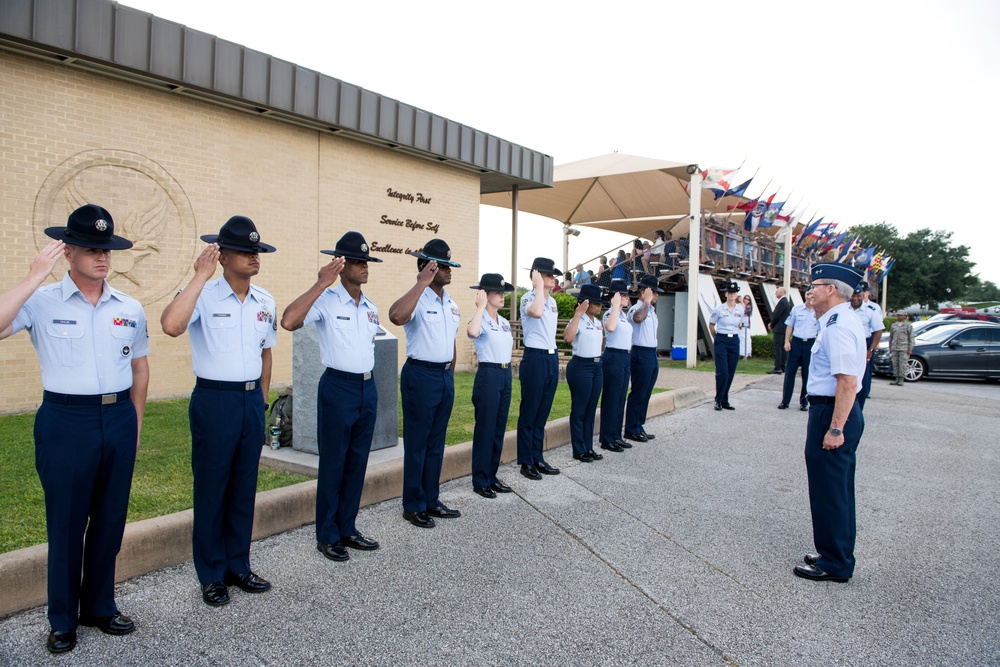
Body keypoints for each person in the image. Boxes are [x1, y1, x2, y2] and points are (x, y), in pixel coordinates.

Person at [0, 205, 149, 654]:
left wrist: (135, 424)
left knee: (110, 522)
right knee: (66, 524)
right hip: (66, 421)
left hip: (118, 417)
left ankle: (100, 607)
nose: (102, 257)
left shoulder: (130, 307)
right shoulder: (41, 302)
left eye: (107, 249)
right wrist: (32, 277)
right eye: (90, 248)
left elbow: (140, 368)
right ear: (67, 251)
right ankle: (62, 618)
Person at [161, 216, 276, 607]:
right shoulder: (202, 295)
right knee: (212, 489)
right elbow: (171, 326)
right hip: (214, 400)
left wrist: (261, 398)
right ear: (222, 255)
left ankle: (238, 566)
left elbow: (266, 351)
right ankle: (211, 574)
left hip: (249, 402)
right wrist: (199, 277)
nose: (253, 256)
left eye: (256, 250)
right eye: (244, 251)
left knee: (244, 489)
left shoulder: (265, 301)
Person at [279, 231, 382, 561]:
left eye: (366, 261)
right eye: (356, 260)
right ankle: (327, 535)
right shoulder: (325, 300)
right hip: (338, 387)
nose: (364, 266)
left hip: (368, 388)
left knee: (357, 462)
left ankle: (348, 528)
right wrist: (321, 283)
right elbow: (289, 320)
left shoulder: (370, 307)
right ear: (340, 265)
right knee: (334, 463)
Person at [794, 262, 867, 583]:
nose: (810, 290)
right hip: (834, 410)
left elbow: (847, 381)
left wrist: (835, 428)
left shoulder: (837, 326)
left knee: (829, 489)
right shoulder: (836, 320)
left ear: (831, 290)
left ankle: (836, 562)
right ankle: (834, 552)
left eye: (815, 284)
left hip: (832, 412)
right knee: (834, 488)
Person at [389, 239, 462, 528]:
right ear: (428, 267)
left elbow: (451, 342)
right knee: (418, 444)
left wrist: (450, 375)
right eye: (442, 266)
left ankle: (431, 499)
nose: (448, 270)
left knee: (436, 444)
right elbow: (396, 316)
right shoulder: (417, 299)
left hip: (444, 377)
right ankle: (413, 504)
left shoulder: (451, 304)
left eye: (448, 265)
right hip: (420, 376)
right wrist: (421, 283)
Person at [466, 273, 515, 498]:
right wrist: (480, 307)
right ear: (485, 294)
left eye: (502, 292)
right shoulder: (479, 320)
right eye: (496, 292)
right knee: (485, 430)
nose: (502, 296)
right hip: (488, 374)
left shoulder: (504, 322)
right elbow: (472, 332)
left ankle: (492, 476)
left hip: (505, 375)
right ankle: (480, 479)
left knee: (497, 430)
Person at [516, 257, 563, 480]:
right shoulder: (528, 298)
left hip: (551, 358)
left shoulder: (551, 301)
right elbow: (535, 312)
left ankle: (537, 457)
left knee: (542, 412)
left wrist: (543, 291)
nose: (553, 279)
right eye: (549, 275)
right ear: (537, 276)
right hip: (534, 358)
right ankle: (526, 461)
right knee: (530, 412)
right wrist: (537, 288)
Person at [564, 283, 614, 462]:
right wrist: (577, 314)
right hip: (580, 367)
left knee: (591, 409)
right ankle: (578, 449)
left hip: (596, 366)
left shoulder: (598, 322)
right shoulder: (577, 320)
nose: (600, 306)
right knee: (580, 409)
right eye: (596, 302)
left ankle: (588, 447)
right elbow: (568, 338)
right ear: (585, 303)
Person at [623, 274, 663, 441]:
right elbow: (638, 319)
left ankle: (639, 425)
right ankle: (631, 428)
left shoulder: (652, 311)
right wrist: (646, 301)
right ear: (645, 292)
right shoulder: (637, 309)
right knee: (639, 391)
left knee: (646, 392)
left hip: (651, 352)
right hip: (640, 352)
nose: (657, 296)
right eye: (654, 292)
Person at [599, 279, 633, 453]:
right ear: (617, 296)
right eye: (624, 295)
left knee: (620, 398)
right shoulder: (610, 314)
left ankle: (616, 435)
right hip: (614, 356)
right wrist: (615, 306)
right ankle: (607, 438)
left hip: (625, 357)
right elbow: (610, 328)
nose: (628, 298)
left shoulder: (623, 315)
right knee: (611, 398)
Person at [778, 291, 819, 411]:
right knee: (790, 372)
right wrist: (787, 341)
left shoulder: (819, 311)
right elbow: (790, 325)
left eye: (812, 295)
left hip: (810, 343)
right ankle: (785, 401)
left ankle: (804, 402)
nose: (809, 297)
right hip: (796, 342)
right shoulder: (797, 309)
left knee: (807, 374)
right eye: (807, 294)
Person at [849, 283, 884, 410]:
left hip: (864, 344)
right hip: (848, 343)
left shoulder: (870, 311)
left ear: (863, 295)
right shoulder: (844, 309)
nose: (855, 298)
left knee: (862, 376)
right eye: (853, 296)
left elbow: (878, 331)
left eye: (858, 296)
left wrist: (870, 350)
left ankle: (859, 407)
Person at [709, 281, 743, 410]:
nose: (732, 294)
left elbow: (741, 324)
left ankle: (724, 399)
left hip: (734, 340)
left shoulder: (740, 309)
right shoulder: (719, 309)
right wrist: (716, 338)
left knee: (730, 371)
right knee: (722, 371)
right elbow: (711, 325)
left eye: (734, 292)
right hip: (722, 339)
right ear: (726, 294)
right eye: (730, 292)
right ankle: (718, 399)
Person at [860, 282, 885, 404]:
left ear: (868, 293)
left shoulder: (874, 308)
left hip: (868, 339)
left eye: (865, 291)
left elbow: (878, 328)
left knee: (867, 368)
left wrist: (875, 345)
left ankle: (866, 391)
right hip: (856, 340)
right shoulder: (849, 307)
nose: (863, 293)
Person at [887, 311, 915, 386]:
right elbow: (891, 337)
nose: (898, 316)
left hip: (904, 347)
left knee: (902, 364)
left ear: (905, 316)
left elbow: (911, 337)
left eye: (900, 315)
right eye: (898, 315)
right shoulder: (894, 325)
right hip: (895, 347)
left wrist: (910, 348)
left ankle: (901, 379)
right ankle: (896, 378)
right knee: (895, 363)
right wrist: (890, 347)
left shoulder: (908, 325)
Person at [768, 287, 791, 374]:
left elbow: (777, 315)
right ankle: (782, 366)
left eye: (776, 292)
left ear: (781, 292)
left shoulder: (782, 302)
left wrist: (772, 324)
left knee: (778, 347)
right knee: (782, 347)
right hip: (783, 328)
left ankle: (778, 367)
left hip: (779, 328)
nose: (775, 294)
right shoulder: (786, 302)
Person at [739, 294, 754, 359]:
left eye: (747, 299)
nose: (745, 300)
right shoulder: (740, 305)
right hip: (740, 324)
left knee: (745, 339)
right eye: (745, 298)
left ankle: (746, 353)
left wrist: (742, 303)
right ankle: (740, 353)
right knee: (741, 339)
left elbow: (744, 312)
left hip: (745, 325)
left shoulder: (748, 307)